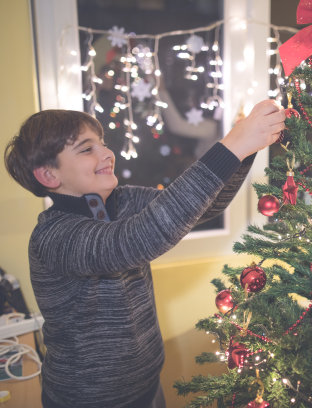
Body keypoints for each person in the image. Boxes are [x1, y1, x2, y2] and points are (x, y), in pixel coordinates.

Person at [3, 101, 285, 408]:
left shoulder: (122, 200)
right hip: (90, 399)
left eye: (103, 144)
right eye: (87, 149)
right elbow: (140, 238)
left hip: (148, 385)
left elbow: (207, 206)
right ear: (48, 175)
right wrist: (232, 145)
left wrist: (244, 150)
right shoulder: (55, 236)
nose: (106, 154)